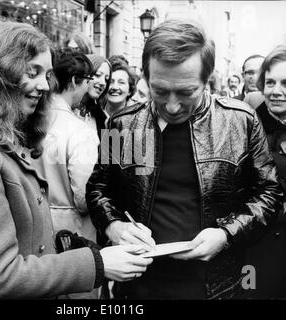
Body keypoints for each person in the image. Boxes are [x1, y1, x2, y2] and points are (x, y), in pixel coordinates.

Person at [0, 22, 152, 299]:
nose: (45, 85)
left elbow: (28, 243)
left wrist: (85, 247)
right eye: (32, 73)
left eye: (46, 74)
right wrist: (99, 263)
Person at [86, 19, 282, 299]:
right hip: (139, 287)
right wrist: (114, 225)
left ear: (207, 79)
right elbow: (99, 188)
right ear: (145, 77)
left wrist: (226, 234)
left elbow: (269, 195)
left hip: (217, 286)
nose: (172, 106)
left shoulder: (241, 121)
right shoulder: (123, 125)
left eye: (186, 92)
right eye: (160, 91)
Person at [35, 52, 99, 298]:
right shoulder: (79, 131)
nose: (87, 89)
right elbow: (84, 197)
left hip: (35, 231)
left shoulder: (30, 122)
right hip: (72, 236)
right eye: (87, 82)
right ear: (74, 81)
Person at [245, 44, 286, 298]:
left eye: (285, 83)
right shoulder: (246, 123)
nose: (276, 91)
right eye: (270, 82)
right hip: (258, 251)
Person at [75, 54, 112, 139]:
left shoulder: (103, 118)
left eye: (106, 79)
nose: (103, 83)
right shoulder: (64, 109)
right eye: (98, 75)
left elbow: (108, 151)